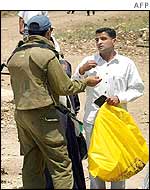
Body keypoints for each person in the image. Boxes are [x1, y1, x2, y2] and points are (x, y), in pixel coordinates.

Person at [7, 15, 101, 189]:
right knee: (60, 165)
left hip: (21, 116)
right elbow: (64, 88)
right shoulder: (47, 55)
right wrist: (85, 82)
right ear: (49, 32)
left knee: (31, 162)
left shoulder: (15, 54)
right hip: (44, 116)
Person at [72, 27, 144, 189]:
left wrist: (120, 98)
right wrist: (82, 71)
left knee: (117, 159)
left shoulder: (126, 64)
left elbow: (137, 88)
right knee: (96, 161)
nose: (99, 42)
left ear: (114, 41)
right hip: (93, 119)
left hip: (116, 121)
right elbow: (72, 83)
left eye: (103, 39)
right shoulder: (89, 61)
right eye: (97, 39)